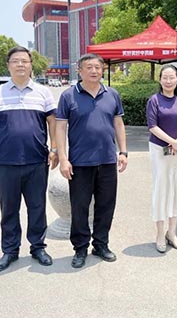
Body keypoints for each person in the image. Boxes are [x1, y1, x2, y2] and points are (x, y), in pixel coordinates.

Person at [0, 46, 59, 272]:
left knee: (37, 207)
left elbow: (53, 122)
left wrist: (54, 149)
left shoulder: (43, 92)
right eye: (16, 61)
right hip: (6, 163)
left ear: (31, 65)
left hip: (37, 161)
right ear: (8, 65)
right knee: (9, 209)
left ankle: (38, 247)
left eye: (25, 61)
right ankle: (10, 251)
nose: (21, 64)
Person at [55, 53, 128, 269]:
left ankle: (101, 244)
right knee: (79, 207)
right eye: (89, 67)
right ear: (80, 70)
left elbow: (118, 124)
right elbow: (60, 127)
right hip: (79, 163)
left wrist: (123, 152)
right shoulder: (68, 96)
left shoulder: (112, 94)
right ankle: (80, 248)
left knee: (106, 206)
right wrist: (63, 158)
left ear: (102, 70)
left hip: (107, 161)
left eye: (97, 67)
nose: (94, 71)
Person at [146, 64, 177, 253]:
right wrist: (172, 141)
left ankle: (171, 233)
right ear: (160, 80)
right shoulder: (154, 100)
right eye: (165, 77)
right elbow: (152, 126)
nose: (168, 81)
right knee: (162, 189)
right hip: (160, 150)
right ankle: (159, 234)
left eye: (172, 77)